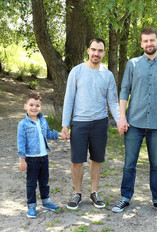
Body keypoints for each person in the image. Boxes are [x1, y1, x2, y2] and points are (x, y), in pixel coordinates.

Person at [112, 28, 157, 216]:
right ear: (141, 44)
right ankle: (125, 198)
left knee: (156, 164)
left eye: (152, 40)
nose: (149, 44)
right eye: (145, 41)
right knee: (129, 163)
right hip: (133, 123)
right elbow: (124, 91)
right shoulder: (132, 64)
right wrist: (122, 118)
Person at [61, 38, 120, 210]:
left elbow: (113, 102)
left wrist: (120, 121)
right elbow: (69, 99)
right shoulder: (77, 71)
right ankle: (77, 194)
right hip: (79, 122)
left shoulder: (107, 75)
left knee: (96, 159)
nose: (96, 53)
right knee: (76, 161)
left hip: (100, 123)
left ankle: (94, 193)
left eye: (100, 51)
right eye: (94, 50)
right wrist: (65, 124)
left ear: (103, 53)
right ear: (88, 50)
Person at [17, 93, 64, 219]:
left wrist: (60, 134)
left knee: (44, 182)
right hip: (31, 159)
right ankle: (31, 206)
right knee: (31, 183)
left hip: (44, 157)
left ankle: (46, 202)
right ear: (25, 106)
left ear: (41, 107)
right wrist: (22, 160)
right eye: (31, 105)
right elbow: (21, 143)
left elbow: (48, 133)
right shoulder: (23, 124)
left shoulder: (43, 120)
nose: (34, 108)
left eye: (37, 105)